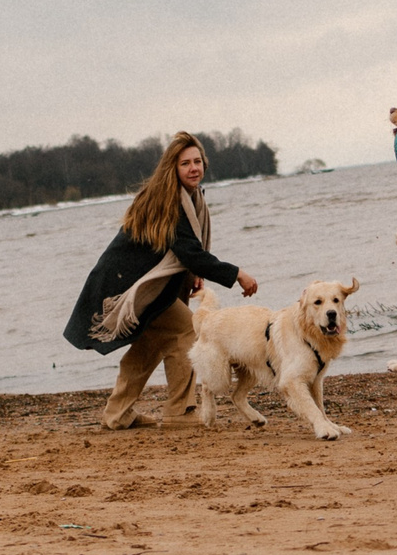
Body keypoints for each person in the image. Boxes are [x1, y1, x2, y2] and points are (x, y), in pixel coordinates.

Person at [63, 132, 259, 429]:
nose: (194, 168)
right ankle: (179, 413)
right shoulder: (169, 201)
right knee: (185, 332)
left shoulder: (190, 196)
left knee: (150, 345)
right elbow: (189, 251)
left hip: (142, 284)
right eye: (185, 163)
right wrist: (237, 274)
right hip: (129, 287)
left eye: (197, 161)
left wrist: (192, 275)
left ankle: (117, 414)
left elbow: (183, 249)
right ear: (173, 168)